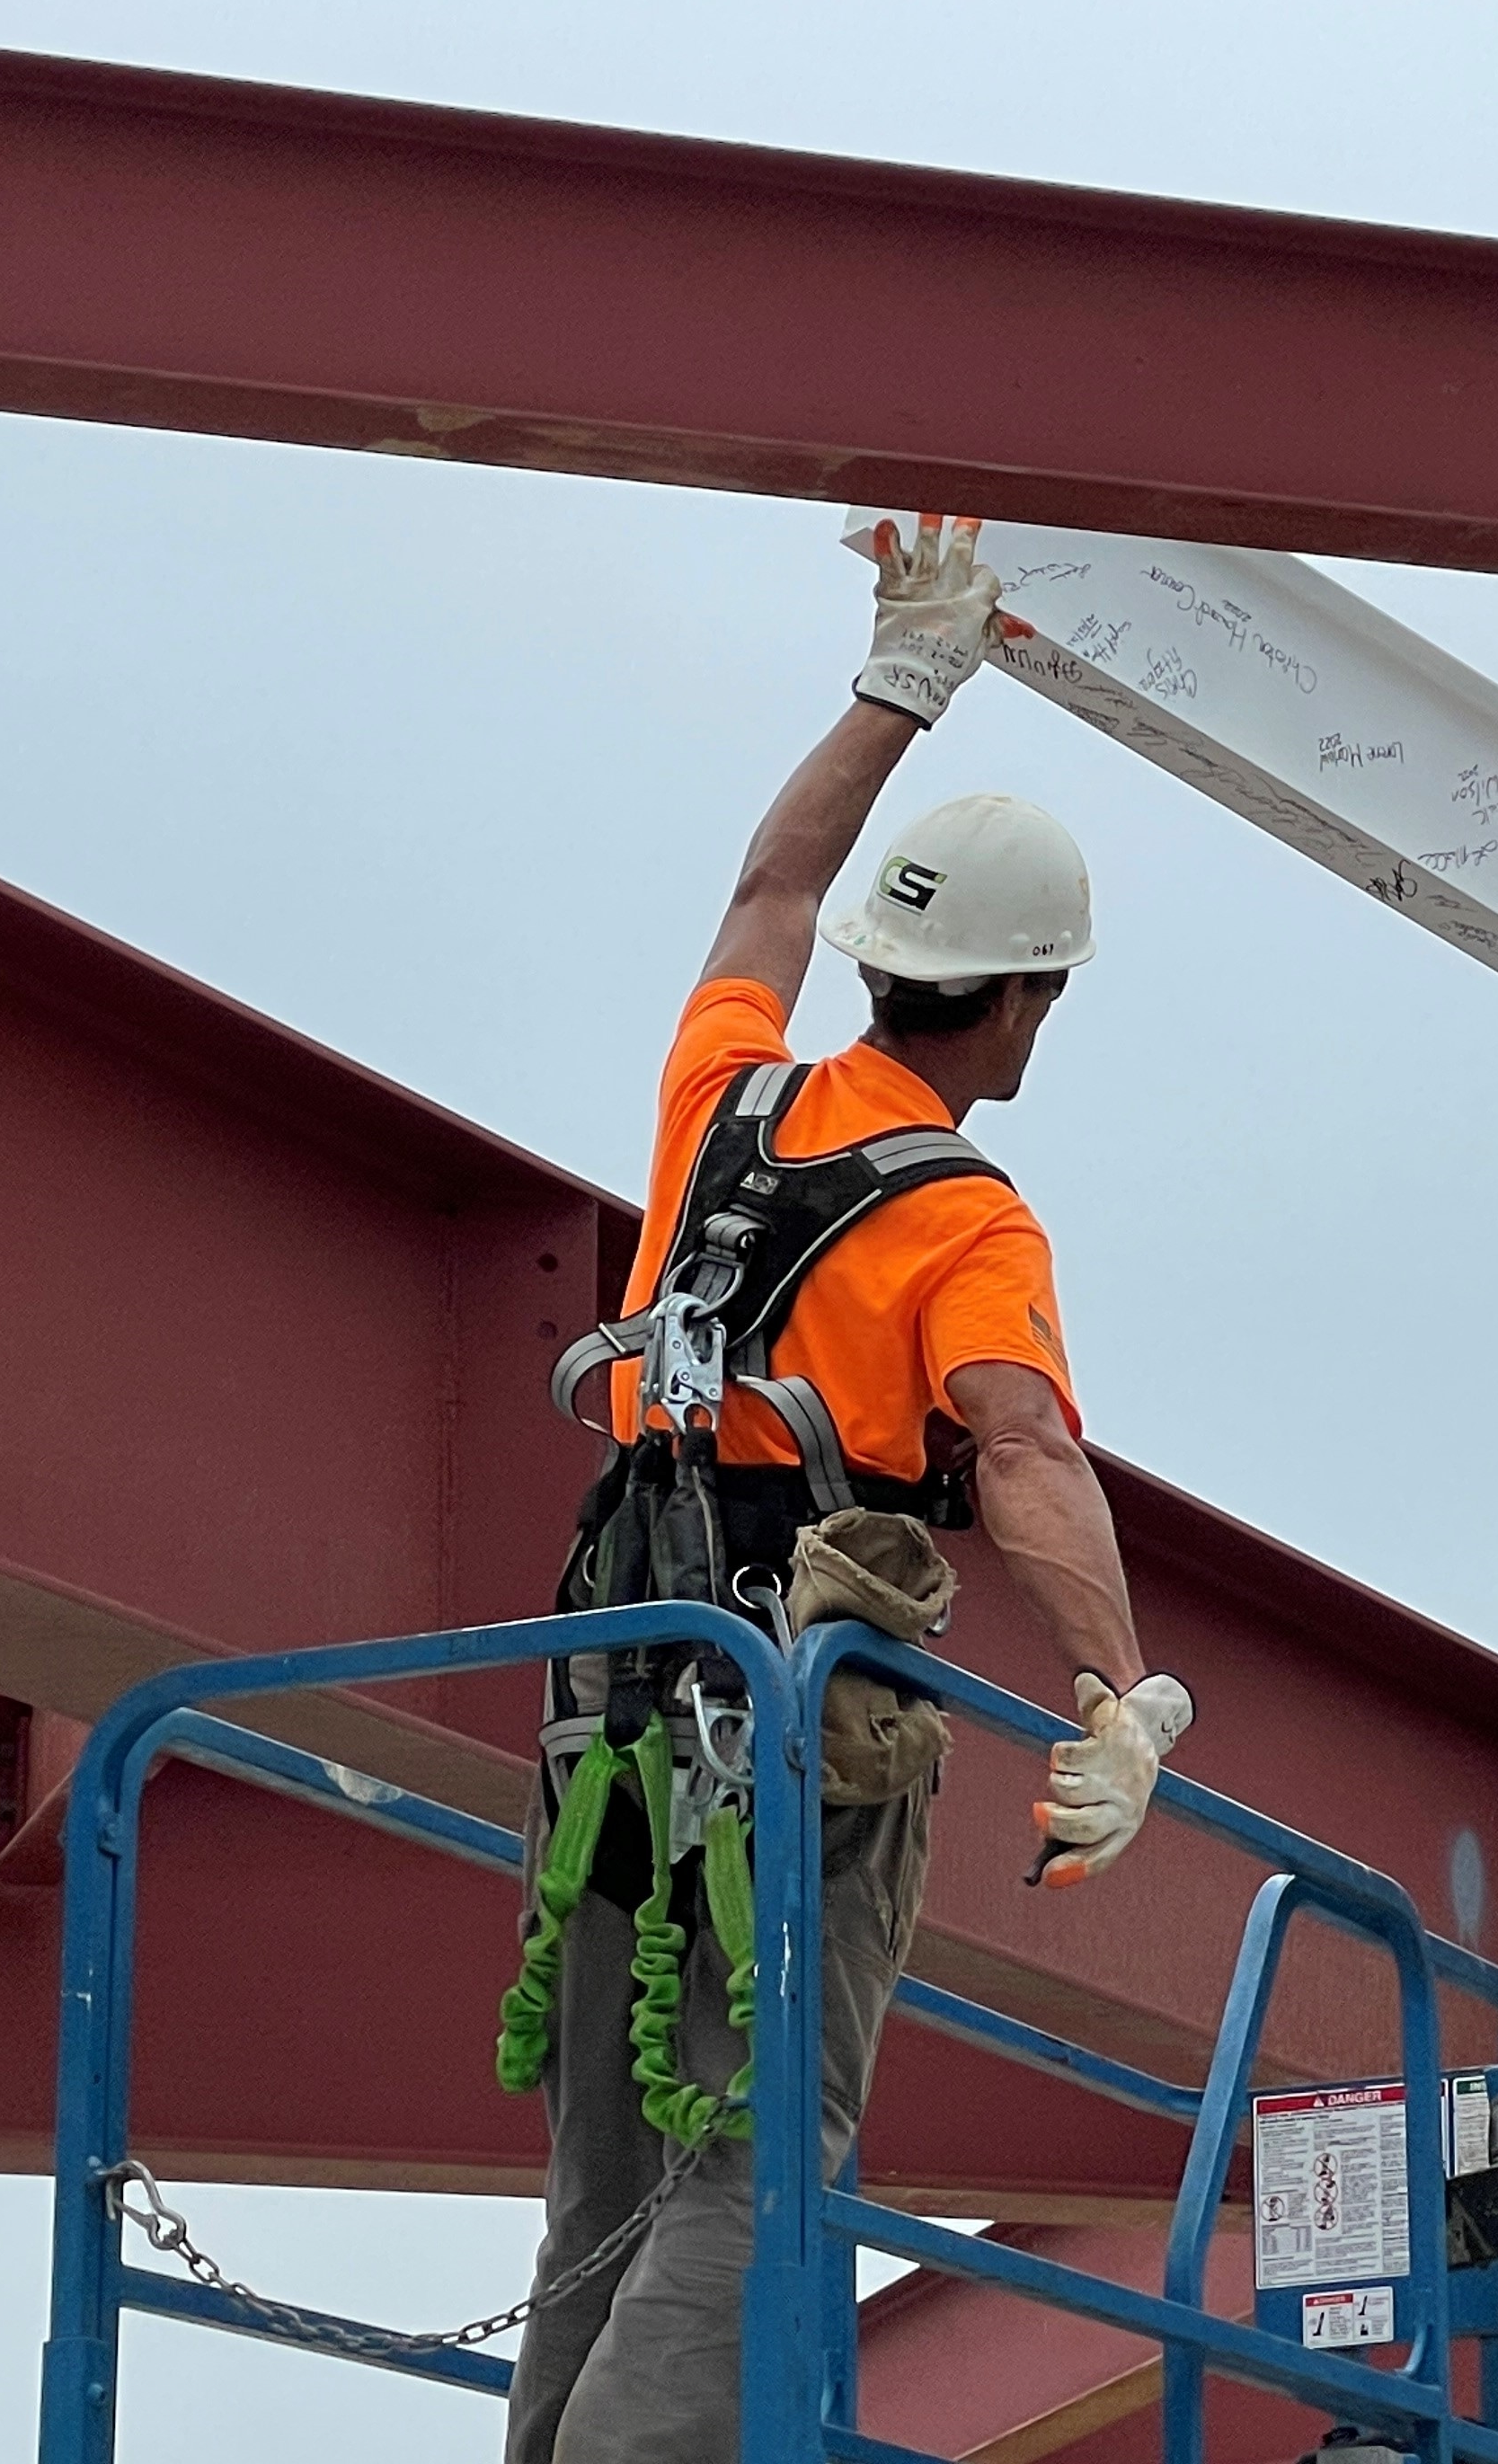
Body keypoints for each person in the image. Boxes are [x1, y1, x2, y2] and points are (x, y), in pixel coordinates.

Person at [505, 515, 1193, 2464]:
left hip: (608, 1696)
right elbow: (1027, 1448)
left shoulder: (725, 1090)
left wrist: (901, 681)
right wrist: (1121, 1691)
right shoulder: (967, 1219)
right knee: (750, 2156)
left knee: (606, 2169)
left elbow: (769, 882)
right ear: (1023, 1000)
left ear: (893, 965)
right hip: (791, 1734)